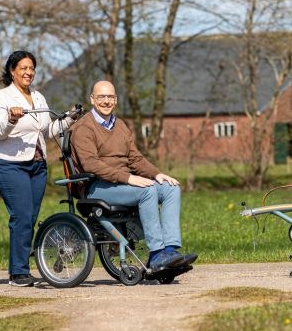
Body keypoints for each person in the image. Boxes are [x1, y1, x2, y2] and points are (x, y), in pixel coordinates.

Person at [70, 80, 197, 273]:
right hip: (97, 186)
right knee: (147, 190)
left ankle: (170, 252)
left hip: (121, 184)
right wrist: (128, 178)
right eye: (102, 97)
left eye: (110, 97)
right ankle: (156, 255)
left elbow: (135, 158)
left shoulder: (120, 125)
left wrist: (157, 174)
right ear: (92, 99)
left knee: (171, 188)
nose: (106, 101)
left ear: (116, 100)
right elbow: (91, 164)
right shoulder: (83, 128)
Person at [0, 50, 77, 287]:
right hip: (9, 165)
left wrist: (69, 119)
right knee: (23, 216)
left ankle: (22, 263)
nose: (28, 72)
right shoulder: (1, 97)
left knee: (30, 217)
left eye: (31, 68)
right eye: (23, 68)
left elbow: (47, 131)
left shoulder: (38, 97)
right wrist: (11, 119)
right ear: (12, 71)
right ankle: (18, 273)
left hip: (37, 165)